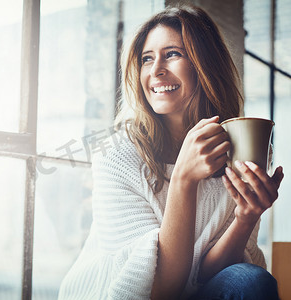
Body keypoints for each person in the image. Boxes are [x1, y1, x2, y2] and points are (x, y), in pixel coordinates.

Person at [58, 4, 284, 300]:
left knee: (250, 280)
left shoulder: (236, 150)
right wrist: (183, 179)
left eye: (173, 54)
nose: (155, 70)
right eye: (146, 59)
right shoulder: (117, 154)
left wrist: (246, 217)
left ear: (206, 66)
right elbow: (158, 290)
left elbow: (205, 276)